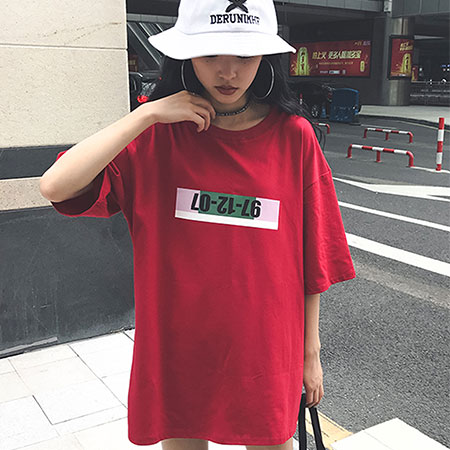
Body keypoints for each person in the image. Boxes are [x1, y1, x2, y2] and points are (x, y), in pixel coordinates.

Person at [39, 0, 355, 449]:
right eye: (210, 56)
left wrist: (311, 354)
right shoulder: (156, 137)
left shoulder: (292, 137)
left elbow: (313, 259)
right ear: (186, 55)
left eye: (244, 56)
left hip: (265, 348)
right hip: (178, 345)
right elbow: (55, 185)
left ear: (265, 56)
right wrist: (145, 114)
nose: (228, 72)